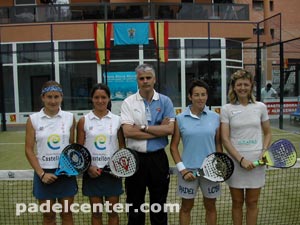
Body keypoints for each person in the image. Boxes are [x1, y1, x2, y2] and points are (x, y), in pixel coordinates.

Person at [120, 63, 175, 225]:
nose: (145, 81)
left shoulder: (165, 101)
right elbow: (128, 132)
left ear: (154, 79)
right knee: (135, 205)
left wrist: (143, 128)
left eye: (148, 77)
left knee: (159, 203)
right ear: (137, 81)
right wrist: (159, 129)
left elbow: (170, 130)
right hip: (135, 159)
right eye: (141, 78)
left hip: (158, 159)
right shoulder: (128, 102)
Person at [220, 69, 272, 225]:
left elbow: (268, 133)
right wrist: (241, 159)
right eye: (239, 84)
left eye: (246, 84)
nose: (242, 87)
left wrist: (264, 152)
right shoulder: (226, 109)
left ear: (251, 86)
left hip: (257, 162)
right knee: (237, 203)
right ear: (234, 87)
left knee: (252, 202)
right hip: (235, 163)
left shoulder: (261, 107)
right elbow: (225, 138)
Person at [170, 79, 223, 225]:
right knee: (186, 207)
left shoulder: (215, 117)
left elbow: (218, 143)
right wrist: (183, 170)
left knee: (211, 206)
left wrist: (218, 165)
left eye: (203, 94)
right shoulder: (179, 119)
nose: (200, 98)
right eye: (197, 95)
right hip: (188, 173)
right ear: (190, 97)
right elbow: (173, 147)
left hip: (211, 171)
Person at [25, 80, 77, 225]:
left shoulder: (70, 118)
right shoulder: (33, 120)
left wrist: (71, 166)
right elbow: (28, 149)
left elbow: (72, 145)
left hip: (66, 173)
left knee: (67, 213)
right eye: (49, 97)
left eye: (56, 97)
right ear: (43, 97)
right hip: (44, 174)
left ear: (61, 97)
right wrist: (42, 174)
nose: (53, 101)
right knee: (48, 215)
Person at [76, 83, 125, 225]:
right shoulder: (83, 120)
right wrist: (89, 167)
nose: (100, 100)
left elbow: (122, 146)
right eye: (96, 97)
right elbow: (79, 149)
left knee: (113, 212)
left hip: (112, 174)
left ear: (109, 99)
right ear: (92, 99)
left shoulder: (117, 120)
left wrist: (118, 167)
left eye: (103, 97)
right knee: (96, 213)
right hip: (92, 173)